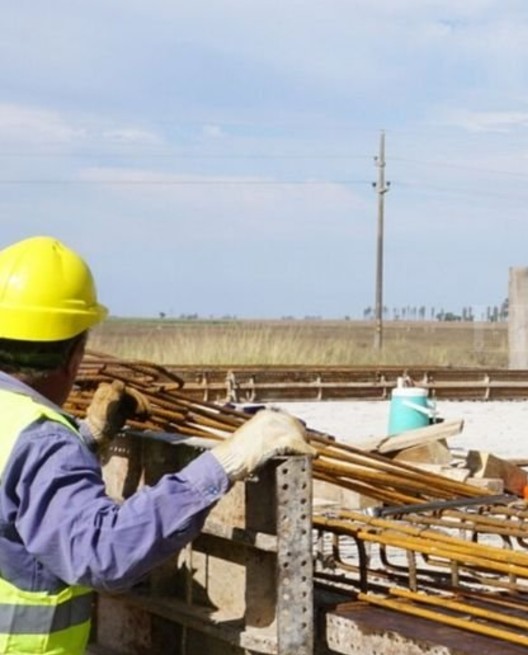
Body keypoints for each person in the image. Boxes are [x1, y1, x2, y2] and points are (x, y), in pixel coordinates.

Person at [0, 235, 316, 653]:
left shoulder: (26, 432)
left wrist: (89, 440)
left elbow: (16, 494)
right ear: (76, 354)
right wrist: (225, 463)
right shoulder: (43, 443)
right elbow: (103, 553)